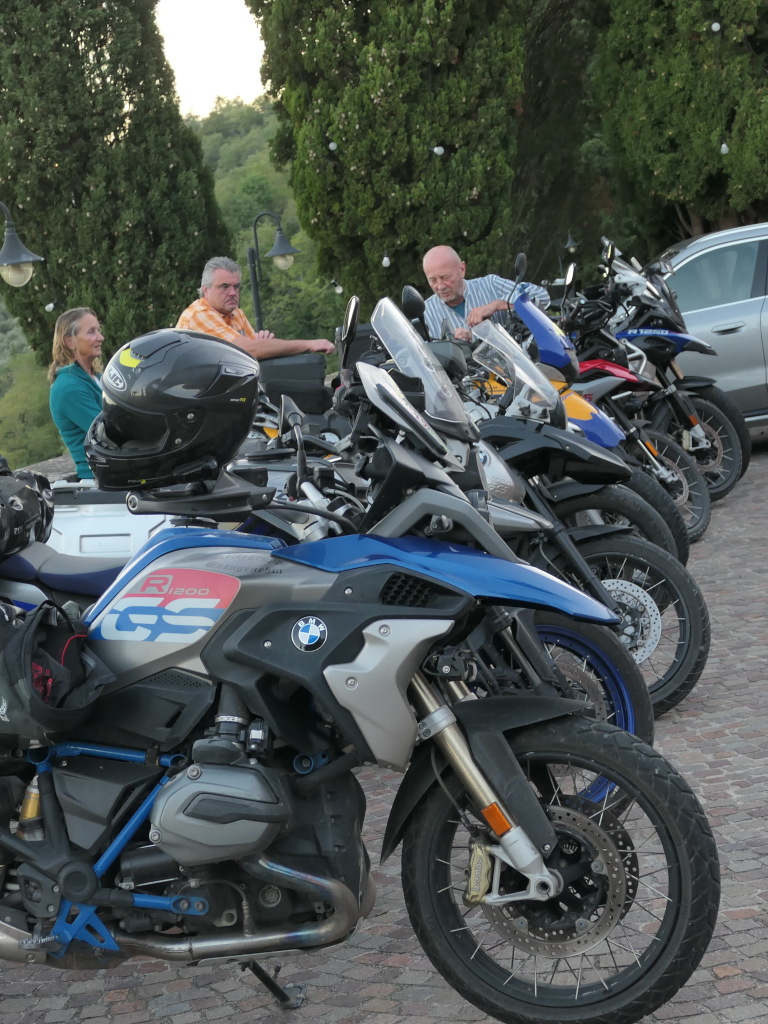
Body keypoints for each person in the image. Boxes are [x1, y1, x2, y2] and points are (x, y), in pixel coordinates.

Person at [176, 256, 335, 360]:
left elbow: (256, 351)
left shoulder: (236, 313)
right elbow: (251, 350)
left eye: (236, 287)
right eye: (224, 286)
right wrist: (308, 344)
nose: (233, 293)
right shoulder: (199, 314)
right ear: (206, 290)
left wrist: (264, 344)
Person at [422, 244, 530, 342]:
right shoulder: (425, 315)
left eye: (445, 277)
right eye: (433, 280)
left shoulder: (491, 285)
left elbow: (538, 294)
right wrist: (452, 347)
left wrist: (497, 305)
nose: (440, 286)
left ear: (462, 269)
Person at [48, 308, 104, 480]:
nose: (101, 337)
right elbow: (107, 433)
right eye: (91, 332)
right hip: (102, 480)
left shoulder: (97, 377)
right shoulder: (68, 388)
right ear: (70, 341)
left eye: (99, 330)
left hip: (122, 473)